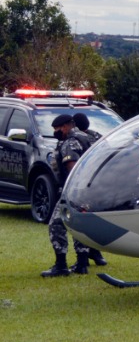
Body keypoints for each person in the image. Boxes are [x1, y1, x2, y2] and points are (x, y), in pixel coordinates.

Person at [40, 114, 96, 277]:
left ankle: (61, 265)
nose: (56, 132)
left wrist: (72, 191)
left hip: (74, 191)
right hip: (91, 190)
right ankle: (82, 263)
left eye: (57, 129)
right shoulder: (88, 137)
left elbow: (73, 168)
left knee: (56, 224)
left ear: (65, 126)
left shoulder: (70, 142)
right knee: (79, 224)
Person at [71, 113, 108, 267]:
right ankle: (96, 253)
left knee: (78, 220)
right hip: (100, 183)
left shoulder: (77, 140)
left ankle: (84, 258)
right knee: (93, 218)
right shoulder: (98, 137)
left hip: (84, 184)